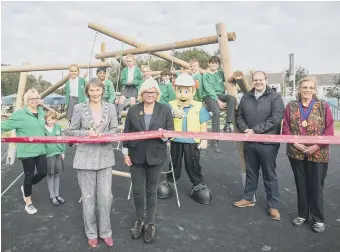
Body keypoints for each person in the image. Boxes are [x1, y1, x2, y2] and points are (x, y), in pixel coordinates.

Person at [64, 78, 119, 248]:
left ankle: (105, 232)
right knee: (88, 198)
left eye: (98, 90)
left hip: (105, 157)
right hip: (85, 158)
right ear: (87, 92)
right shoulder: (79, 108)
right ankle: (91, 233)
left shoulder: (110, 107)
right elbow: (70, 131)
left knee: (105, 197)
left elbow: (115, 129)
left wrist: (104, 137)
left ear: (103, 90)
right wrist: (86, 133)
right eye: (92, 91)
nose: (95, 93)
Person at [122, 78, 173, 244]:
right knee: (138, 191)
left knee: (151, 191)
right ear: (141, 93)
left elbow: (171, 133)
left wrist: (164, 134)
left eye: (153, 92)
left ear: (157, 94)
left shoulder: (165, 110)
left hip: (156, 157)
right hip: (136, 156)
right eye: (147, 92)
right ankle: (139, 220)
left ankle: (150, 222)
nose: (150, 95)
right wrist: (125, 153)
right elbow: (126, 132)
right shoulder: (133, 109)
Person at [282, 76, 334, 233]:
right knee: (301, 184)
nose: (308, 90)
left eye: (311, 88)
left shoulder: (323, 107)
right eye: (305, 87)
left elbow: (329, 130)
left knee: (316, 186)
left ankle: (318, 219)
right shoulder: (291, 106)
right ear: (299, 89)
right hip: (296, 153)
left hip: (318, 153)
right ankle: (302, 214)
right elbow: (285, 128)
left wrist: (315, 146)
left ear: (315, 90)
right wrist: (296, 144)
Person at [233, 71, 284, 221]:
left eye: (261, 80)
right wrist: (245, 129)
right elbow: (239, 116)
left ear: (266, 80)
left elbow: (276, 118)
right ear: (252, 81)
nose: (258, 82)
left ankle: (273, 205)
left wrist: (255, 130)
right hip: (250, 141)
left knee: (269, 174)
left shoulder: (275, 97)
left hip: (268, 143)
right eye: (255, 80)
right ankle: (248, 198)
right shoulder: (246, 97)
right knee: (251, 172)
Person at [157, 73, 212, 204]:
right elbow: (163, 120)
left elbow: (203, 124)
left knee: (193, 163)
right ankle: (170, 182)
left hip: (192, 141)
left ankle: (198, 183)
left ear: (192, 91)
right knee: (174, 163)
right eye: (180, 90)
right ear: (175, 90)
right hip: (175, 140)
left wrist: (204, 140)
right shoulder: (170, 105)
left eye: (186, 90)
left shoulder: (199, 106)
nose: (182, 94)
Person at [1, 88, 47, 214]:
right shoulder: (19, 114)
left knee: (43, 172)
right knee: (29, 175)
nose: (34, 101)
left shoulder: (41, 111)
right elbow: (3, 126)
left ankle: (26, 186)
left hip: (41, 148)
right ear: (26, 100)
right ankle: (28, 202)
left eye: (36, 98)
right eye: (31, 99)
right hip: (27, 151)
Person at [202, 56, 237, 153]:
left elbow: (229, 77)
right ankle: (215, 141)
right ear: (209, 64)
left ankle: (228, 124)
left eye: (216, 63)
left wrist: (233, 78)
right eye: (212, 63)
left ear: (218, 65)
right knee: (216, 112)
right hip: (209, 96)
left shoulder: (220, 73)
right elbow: (209, 90)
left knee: (232, 98)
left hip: (220, 94)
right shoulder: (206, 75)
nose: (214, 64)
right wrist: (218, 101)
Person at [44, 111, 66, 206]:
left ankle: (57, 194)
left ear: (55, 119)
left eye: (53, 119)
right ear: (45, 119)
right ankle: (52, 196)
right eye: (48, 119)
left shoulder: (57, 127)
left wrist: (62, 151)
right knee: (50, 175)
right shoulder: (43, 129)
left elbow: (62, 139)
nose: (51, 121)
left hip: (58, 153)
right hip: (48, 154)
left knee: (57, 174)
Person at [117, 54, 143, 125]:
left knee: (132, 100)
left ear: (134, 61)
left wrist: (133, 82)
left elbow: (139, 80)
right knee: (121, 99)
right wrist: (126, 82)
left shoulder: (137, 69)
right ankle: (119, 117)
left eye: (130, 61)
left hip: (134, 87)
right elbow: (122, 81)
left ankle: (132, 118)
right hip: (126, 86)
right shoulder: (125, 70)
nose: (129, 63)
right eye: (127, 61)